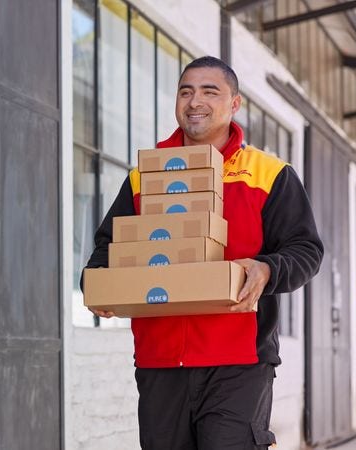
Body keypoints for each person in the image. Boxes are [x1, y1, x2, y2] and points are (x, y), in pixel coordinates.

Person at [81, 56, 324, 449]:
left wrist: (267, 269)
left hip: (239, 361)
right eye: (186, 91)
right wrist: (98, 284)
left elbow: (306, 249)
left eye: (210, 91)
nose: (195, 101)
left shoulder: (269, 174)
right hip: (160, 361)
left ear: (234, 104)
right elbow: (108, 246)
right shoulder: (145, 175)